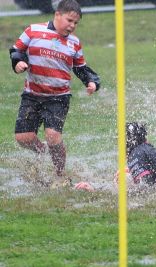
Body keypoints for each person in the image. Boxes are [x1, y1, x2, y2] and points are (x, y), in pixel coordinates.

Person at [9, 0, 100, 188]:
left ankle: (60, 174)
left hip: (58, 97)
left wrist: (92, 82)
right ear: (57, 14)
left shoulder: (74, 43)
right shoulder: (32, 31)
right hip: (32, 94)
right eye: (69, 20)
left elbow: (81, 68)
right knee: (23, 138)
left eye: (76, 23)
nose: (72, 26)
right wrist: (18, 63)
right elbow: (17, 51)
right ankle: (42, 152)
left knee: (53, 136)